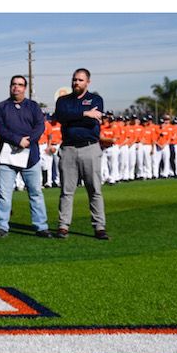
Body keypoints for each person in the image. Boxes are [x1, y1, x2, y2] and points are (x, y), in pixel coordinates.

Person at [0, 76, 53, 239]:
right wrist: (17, 140)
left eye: (20, 85)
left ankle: (41, 226)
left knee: (35, 193)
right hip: (7, 156)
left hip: (30, 156)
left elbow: (40, 126)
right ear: (10, 86)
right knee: (4, 194)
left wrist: (28, 140)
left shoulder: (32, 106)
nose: (16, 87)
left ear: (25, 88)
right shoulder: (1, 107)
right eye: (14, 84)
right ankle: (2, 226)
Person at [54, 68, 108, 240]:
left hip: (90, 148)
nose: (76, 82)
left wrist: (75, 117)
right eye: (74, 79)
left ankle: (99, 227)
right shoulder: (63, 100)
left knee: (94, 190)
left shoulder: (95, 99)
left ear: (88, 82)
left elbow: (93, 120)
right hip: (68, 148)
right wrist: (84, 113)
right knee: (67, 191)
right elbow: (61, 116)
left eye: (80, 80)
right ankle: (63, 226)